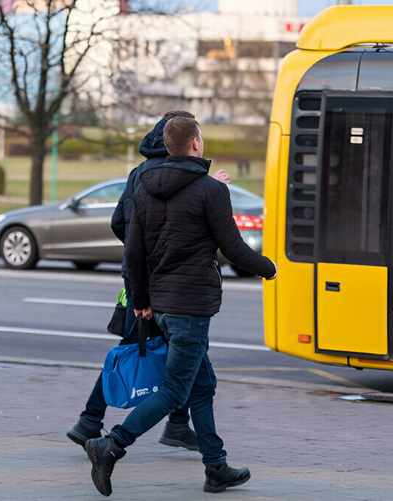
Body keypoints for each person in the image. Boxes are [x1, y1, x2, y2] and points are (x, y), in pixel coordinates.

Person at [85, 116, 277, 496]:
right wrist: (270, 268)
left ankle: (216, 467)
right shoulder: (211, 191)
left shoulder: (143, 187)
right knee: (175, 391)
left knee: (202, 385)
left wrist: (140, 300)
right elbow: (233, 247)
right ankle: (112, 444)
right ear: (194, 145)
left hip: (160, 304)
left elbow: (133, 253)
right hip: (190, 306)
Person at [67, 111, 231, 453]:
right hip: (162, 287)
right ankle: (95, 423)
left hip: (143, 282)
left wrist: (139, 251)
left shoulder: (141, 173)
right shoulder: (167, 176)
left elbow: (119, 222)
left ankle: (174, 428)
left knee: (162, 354)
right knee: (142, 352)